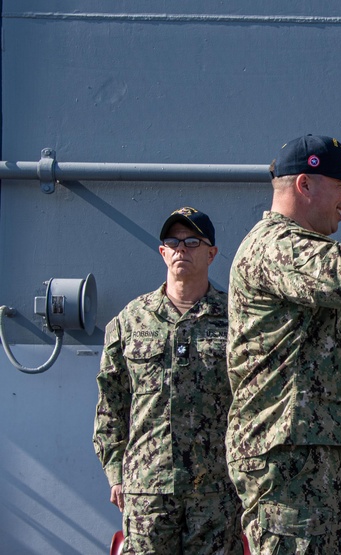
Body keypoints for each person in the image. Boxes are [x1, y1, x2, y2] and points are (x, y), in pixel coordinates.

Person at [226, 134, 341, 555]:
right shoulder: (272, 245)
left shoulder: (302, 247)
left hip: (313, 457)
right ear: (304, 186)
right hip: (289, 459)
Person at [94, 207, 242, 554]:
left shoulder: (237, 319)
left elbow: (253, 399)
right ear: (163, 252)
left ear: (211, 253)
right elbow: (112, 405)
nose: (181, 249)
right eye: (173, 242)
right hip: (148, 488)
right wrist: (115, 473)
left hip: (217, 490)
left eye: (192, 241)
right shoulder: (131, 320)